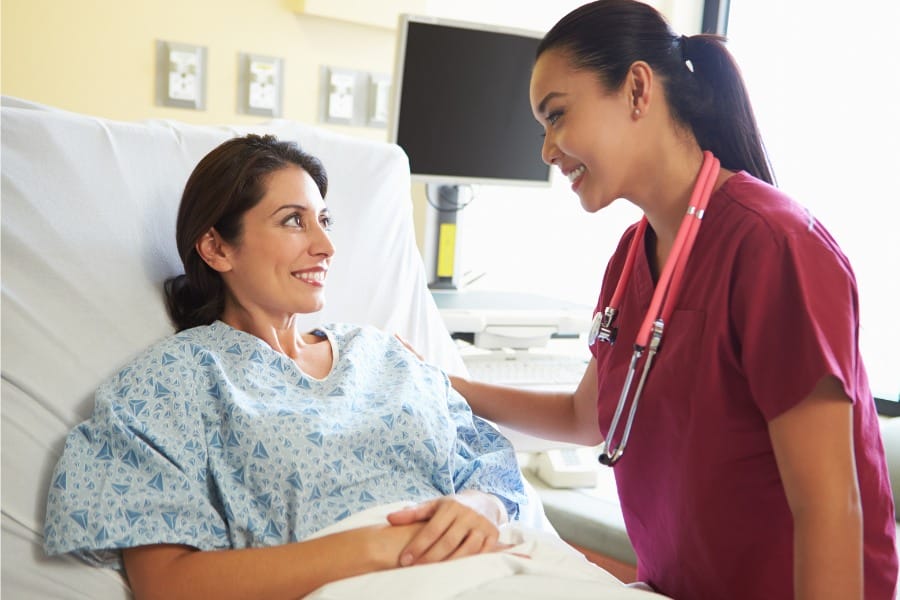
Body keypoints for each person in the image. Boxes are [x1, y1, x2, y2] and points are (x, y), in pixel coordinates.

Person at [424, 1, 899, 599]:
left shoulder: (775, 245)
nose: (546, 150)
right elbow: (585, 417)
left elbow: (830, 507)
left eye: (557, 116)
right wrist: (443, 387)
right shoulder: (631, 256)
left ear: (637, 90)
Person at [43, 134, 528, 599]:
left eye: (324, 220)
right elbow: (168, 585)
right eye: (294, 221)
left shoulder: (384, 354)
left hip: (502, 568)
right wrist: (377, 545)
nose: (326, 246)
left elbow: (491, 466)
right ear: (216, 248)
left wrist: (479, 507)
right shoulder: (171, 383)